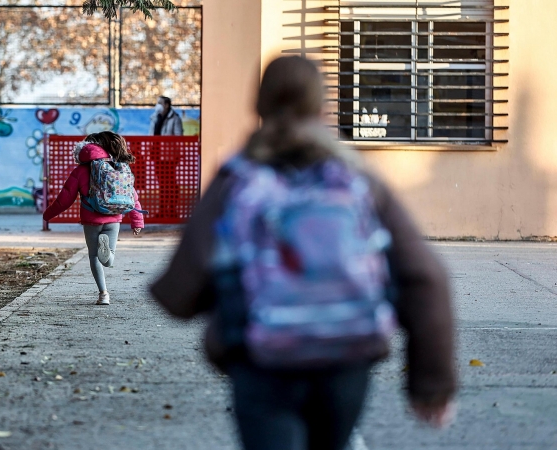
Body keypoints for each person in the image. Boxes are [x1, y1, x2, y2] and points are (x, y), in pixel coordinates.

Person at [151, 56, 456, 450]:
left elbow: (179, 293)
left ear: (258, 105)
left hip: (261, 361)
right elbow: (424, 276)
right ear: (321, 107)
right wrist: (431, 384)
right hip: (346, 359)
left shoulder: (237, 179)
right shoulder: (356, 178)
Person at [43, 131, 145, 306]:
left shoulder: (81, 170)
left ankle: (103, 294)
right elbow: (132, 196)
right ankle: (109, 255)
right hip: (114, 217)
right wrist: (137, 221)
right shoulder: (118, 166)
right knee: (108, 257)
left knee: (93, 256)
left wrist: (48, 215)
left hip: (91, 218)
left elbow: (65, 198)